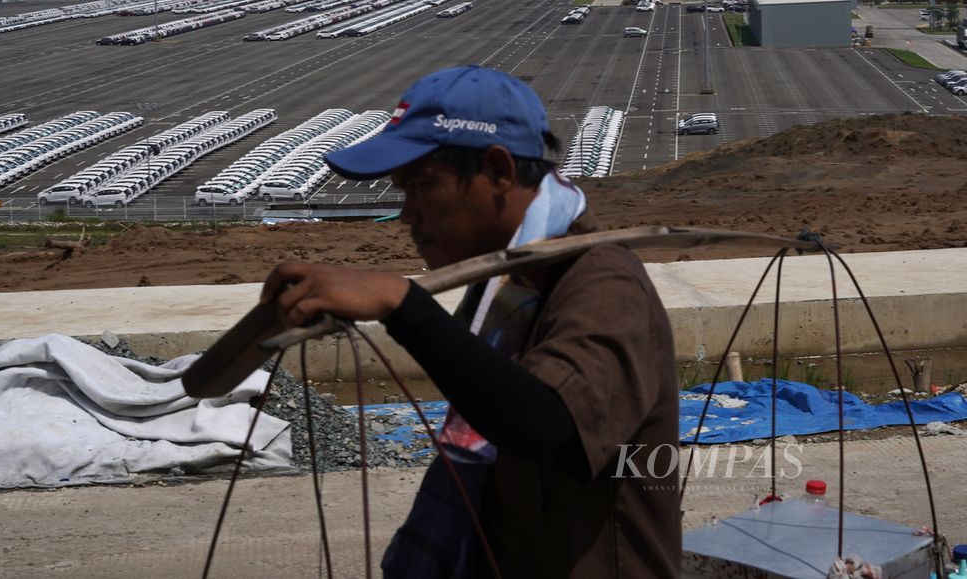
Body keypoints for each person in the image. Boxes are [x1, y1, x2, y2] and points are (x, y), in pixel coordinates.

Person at [260, 65, 681, 578]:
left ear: (500, 171)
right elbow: (488, 399)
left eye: (422, 185)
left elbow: (545, 424)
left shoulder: (601, 284)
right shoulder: (508, 276)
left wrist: (403, 306)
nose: (407, 214)